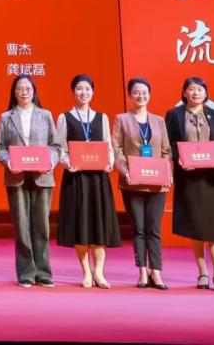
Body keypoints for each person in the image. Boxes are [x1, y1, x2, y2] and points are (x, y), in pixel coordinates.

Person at [165, 76, 214, 293]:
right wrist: (179, 157)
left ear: (206, 93)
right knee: (195, 226)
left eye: (200, 89)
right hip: (190, 178)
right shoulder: (174, 115)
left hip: (213, 178)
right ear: (184, 93)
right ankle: (203, 272)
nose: (196, 93)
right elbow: (169, 145)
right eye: (191, 89)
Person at [0, 74, 60, 288]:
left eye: (28, 89)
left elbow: (56, 146)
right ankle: (26, 272)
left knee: (42, 226)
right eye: (20, 88)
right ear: (14, 92)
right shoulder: (6, 117)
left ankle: (43, 272)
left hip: (42, 176)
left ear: (34, 92)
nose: (24, 92)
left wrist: (50, 162)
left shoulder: (45, 115)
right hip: (17, 176)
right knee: (22, 226)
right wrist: (9, 162)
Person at [56, 74, 122, 288]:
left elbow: (108, 146)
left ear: (93, 92)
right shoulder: (64, 117)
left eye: (87, 89)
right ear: (73, 92)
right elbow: (59, 148)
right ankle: (86, 272)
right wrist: (68, 163)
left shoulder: (102, 117)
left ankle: (99, 272)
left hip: (98, 178)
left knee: (98, 223)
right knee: (81, 224)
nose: (83, 92)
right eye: (79, 88)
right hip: (76, 178)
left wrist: (109, 162)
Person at [112, 77, 171, 290]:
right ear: (130, 95)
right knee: (138, 228)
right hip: (132, 182)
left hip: (156, 183)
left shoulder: (159, 121)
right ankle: (142, 271)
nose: (141, 96)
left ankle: (156, 271)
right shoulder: (122, 119)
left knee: (154, 228)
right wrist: (125, 171)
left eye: (144, 92)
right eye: (136, 92)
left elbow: (166, 151)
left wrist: (168, 173)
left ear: (150, 95)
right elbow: (116, 149)